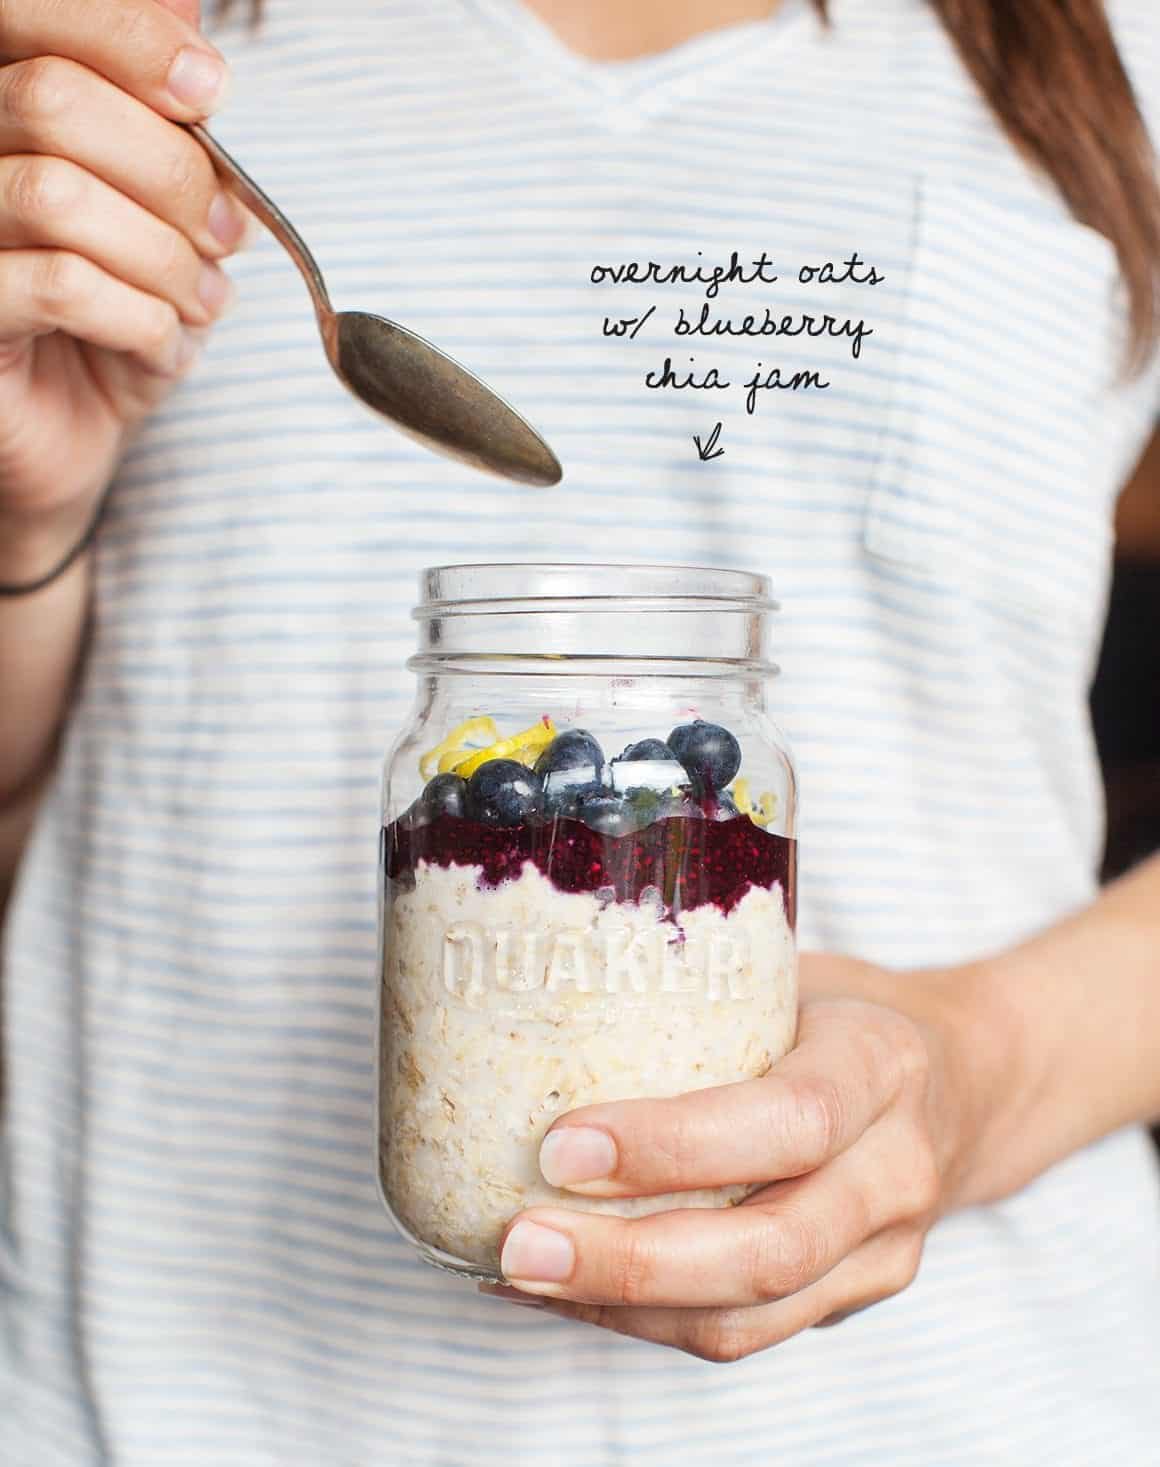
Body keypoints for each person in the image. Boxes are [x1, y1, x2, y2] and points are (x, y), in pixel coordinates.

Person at [2, 0, 1160, 1461]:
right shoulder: (116, 49)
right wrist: (23, 512)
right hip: (161, 1398)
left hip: (967, 1409)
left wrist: (978, 1071)